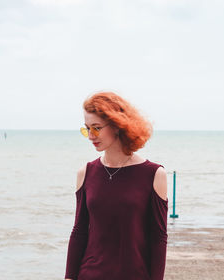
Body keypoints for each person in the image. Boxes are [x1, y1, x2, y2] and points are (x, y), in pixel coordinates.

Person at [64, 91, 168, 280]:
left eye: (96, 128)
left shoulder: (154, 174)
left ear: (117, 125)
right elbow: (79, 231)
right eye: (87, 128)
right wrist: (69, 277)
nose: (90, 136)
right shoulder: (85, 173)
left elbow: (158, 238)